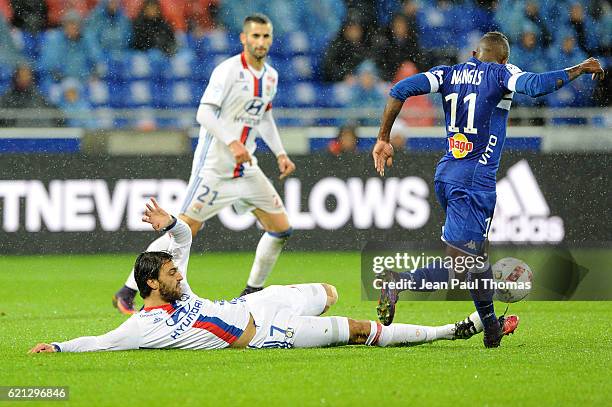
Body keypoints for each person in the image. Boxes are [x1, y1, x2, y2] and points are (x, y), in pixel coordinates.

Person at [29, 198, 519, 353]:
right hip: (266, 333)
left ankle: (404, 307)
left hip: (255, 305)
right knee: (356, 331)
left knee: (330, 291)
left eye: (176, 268)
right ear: (151, 284)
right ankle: (458, 329)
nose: (179, 272)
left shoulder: (182, 292)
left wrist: (173, 225)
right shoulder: (143, 327)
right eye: (170, 271)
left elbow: (183, 240)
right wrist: (57, 347)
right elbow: (100, 342)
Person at [372, 31, 604, 348]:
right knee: (463, 264)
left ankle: (492, 330)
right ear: (505, 58)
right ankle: (399, 283)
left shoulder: (447, 73)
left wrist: (383, 137)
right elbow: (535, 87)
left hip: (446, 172)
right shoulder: (501, 73)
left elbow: (399, 89)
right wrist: (577, 68)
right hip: (474, 181)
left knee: (475, 259)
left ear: (474, 53)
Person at [112, 13, 296, 314]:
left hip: (246, 169)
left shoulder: (271, 77)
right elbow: (204, 115)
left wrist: (280, 153)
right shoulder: (227, 71)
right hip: (214, 169)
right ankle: (126, 291)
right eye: (255, 36)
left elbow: (263, 116)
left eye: (265, 37)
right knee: (182, 232)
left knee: (281, 229)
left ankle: (251, 291)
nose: (260, 42)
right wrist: (233, 142)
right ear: (244, 38)